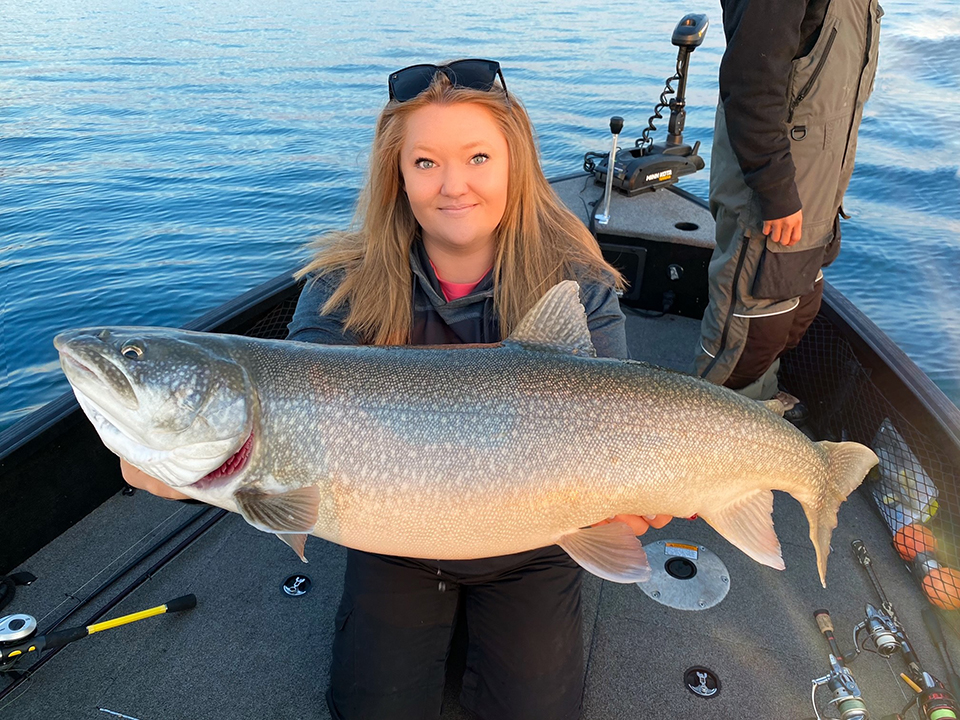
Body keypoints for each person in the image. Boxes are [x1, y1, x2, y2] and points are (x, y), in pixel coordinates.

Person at [122, 59, 671, 720]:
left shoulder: (575, 278)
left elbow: (610, 405)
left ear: (515, 163)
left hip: (540, 540)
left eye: (477, 157)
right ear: (397, 174)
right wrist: (192, 461)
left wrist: (642, 490)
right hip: (396, 540)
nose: (454, 186)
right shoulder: (342, 281)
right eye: (426, 163)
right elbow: (298, 385)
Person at [694, 0, 882, 413]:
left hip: (817, 191)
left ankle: (761, 412)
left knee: (793, 315)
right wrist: (776, 190)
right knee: (748, 334)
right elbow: (751, 83)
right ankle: (714, 445)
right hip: (772, 193)